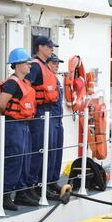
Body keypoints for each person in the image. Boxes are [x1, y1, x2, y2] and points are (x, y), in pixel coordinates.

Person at [0, 48, 38, 210]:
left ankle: (21, 193)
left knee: (24, 160)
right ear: (18, 65)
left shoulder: (24, 83)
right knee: (14, 160)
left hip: (24, 125)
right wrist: (9, 117)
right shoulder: (11, 84)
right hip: (14, 125)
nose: (30, 66)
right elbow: (1, 105)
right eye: (27, 63)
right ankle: (6, 195)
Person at [25, 36, 60, 201]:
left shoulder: (45, 66)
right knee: (38, 151)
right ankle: (31, 187)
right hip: (38, 113)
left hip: (48, 113)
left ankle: (42, 184)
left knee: (48, 151)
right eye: (49, 46)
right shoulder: (35, 66)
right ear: (40, 47)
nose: (52, 49)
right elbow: (26, 87)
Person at [47, 54, 64, 194]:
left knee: (57, 152)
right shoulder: (47, 80)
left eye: (58, 63)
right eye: (54, 63)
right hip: (50, 119)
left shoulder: (57, 80)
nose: (56, 65)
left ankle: (53, 181)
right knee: (49, 152)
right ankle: (45, 183)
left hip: (59, 120)